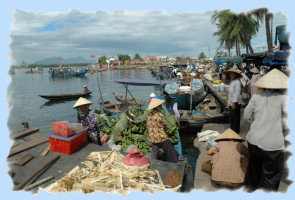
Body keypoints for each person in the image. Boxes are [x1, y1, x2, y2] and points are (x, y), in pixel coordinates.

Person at [243, 69, 289, 192]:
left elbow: (246, 114)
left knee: (253, 172)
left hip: (254, 140)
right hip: (273, 145)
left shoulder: (257, 96)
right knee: (269, 178)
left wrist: (255, 123)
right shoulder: (285, 99)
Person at [146, 98, 178, 163]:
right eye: (160, 104)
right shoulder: (160, 115)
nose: (161, 105)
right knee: (171, 153)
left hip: (152, 137)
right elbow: (166, 125)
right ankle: (174, 164)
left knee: (155, 153)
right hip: (161, 138)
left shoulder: (148, 115)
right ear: (157, 106)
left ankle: (153, 163)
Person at [226, 67, 242, 133]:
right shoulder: (232, 82)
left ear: (235, 74)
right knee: (232, 119)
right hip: (231, 102)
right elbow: (230, 93)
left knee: (235, 119)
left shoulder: (237, 82)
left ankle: (235, 132)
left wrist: (234, 103)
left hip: (235, 103)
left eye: (232, 74)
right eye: (230, 73)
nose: (231, 75)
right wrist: (228, 103)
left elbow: (237, 93)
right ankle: (233, 131)